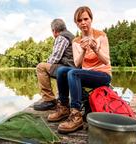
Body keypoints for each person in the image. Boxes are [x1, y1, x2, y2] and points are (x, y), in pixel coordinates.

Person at [47, 6, 112, 134]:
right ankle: (64, 107)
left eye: (85, 19)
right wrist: (82, 49)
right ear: (76, 23)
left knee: (73, 73)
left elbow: (106, 60)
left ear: (91, 19)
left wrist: (95, 48)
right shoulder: (76, 41)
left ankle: (76, 116)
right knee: (61, 71)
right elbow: (77, 63)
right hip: (86, 73)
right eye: (79, 20)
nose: (83, 23)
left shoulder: (101, 35)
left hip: (102, 74)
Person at [33, 18, 75, 111]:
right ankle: (60, 98)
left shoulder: (61, 37)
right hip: (72, 68)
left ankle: (49, 100)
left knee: (40, 67)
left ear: (54, 30)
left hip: (68, 68)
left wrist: (45, 63)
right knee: (54, 67)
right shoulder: (71, 35)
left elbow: (55, 57)